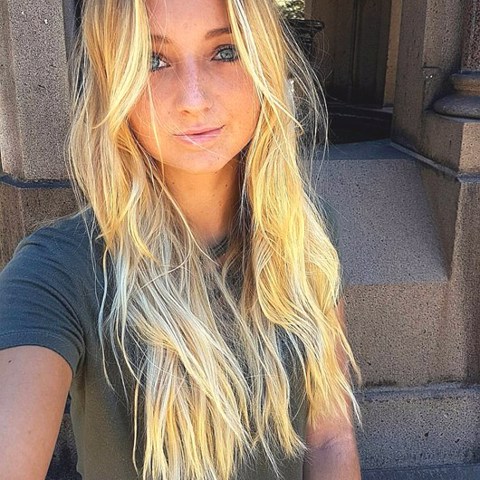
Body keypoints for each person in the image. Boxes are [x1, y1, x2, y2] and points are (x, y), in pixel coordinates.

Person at [0, 0, 361, 478]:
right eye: (153, 60)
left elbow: (330, 438)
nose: (193, 98)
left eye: (225, 51)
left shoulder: (307, 234)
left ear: (266, 62)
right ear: (114, 82)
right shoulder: (57, 273)